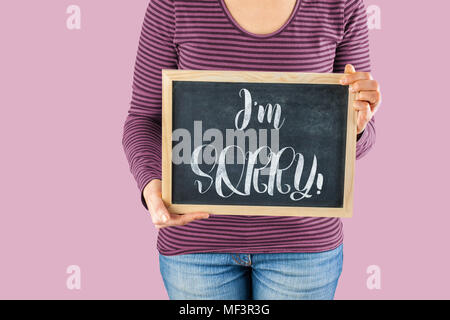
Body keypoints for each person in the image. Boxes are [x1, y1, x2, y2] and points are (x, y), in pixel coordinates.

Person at [122, 0, 380, 300]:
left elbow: (363, 136)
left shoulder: (342, 4)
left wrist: (356, 125)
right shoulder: (173, 4)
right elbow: (144, 119)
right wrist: (152, 186)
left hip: (302, 248)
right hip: (196, 246)